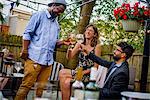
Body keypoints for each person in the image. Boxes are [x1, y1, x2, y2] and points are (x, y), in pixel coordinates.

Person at [15, 0, 67, 100]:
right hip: (34, 58)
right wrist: (25, 50)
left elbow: (53, 44)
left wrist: (63, 42)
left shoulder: (56, 24)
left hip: (47, 62)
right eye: (58, 10)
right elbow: (27, 33)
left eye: (61, 12)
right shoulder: (39, 15)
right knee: (26, 86)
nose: (59, 13)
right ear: (53, 5)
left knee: (40, 90)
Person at [59, 24, 101, 100]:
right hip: (78, 71)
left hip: (88, 74)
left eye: (90, 31)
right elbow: (69, 57)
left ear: (94, 34)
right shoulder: (79, 44)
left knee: (66, 82)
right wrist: (70, 47)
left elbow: (96, 67)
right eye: (87, 30)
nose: (87, 32)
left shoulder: (97, 47)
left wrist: (82, 73)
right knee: (62, 72)